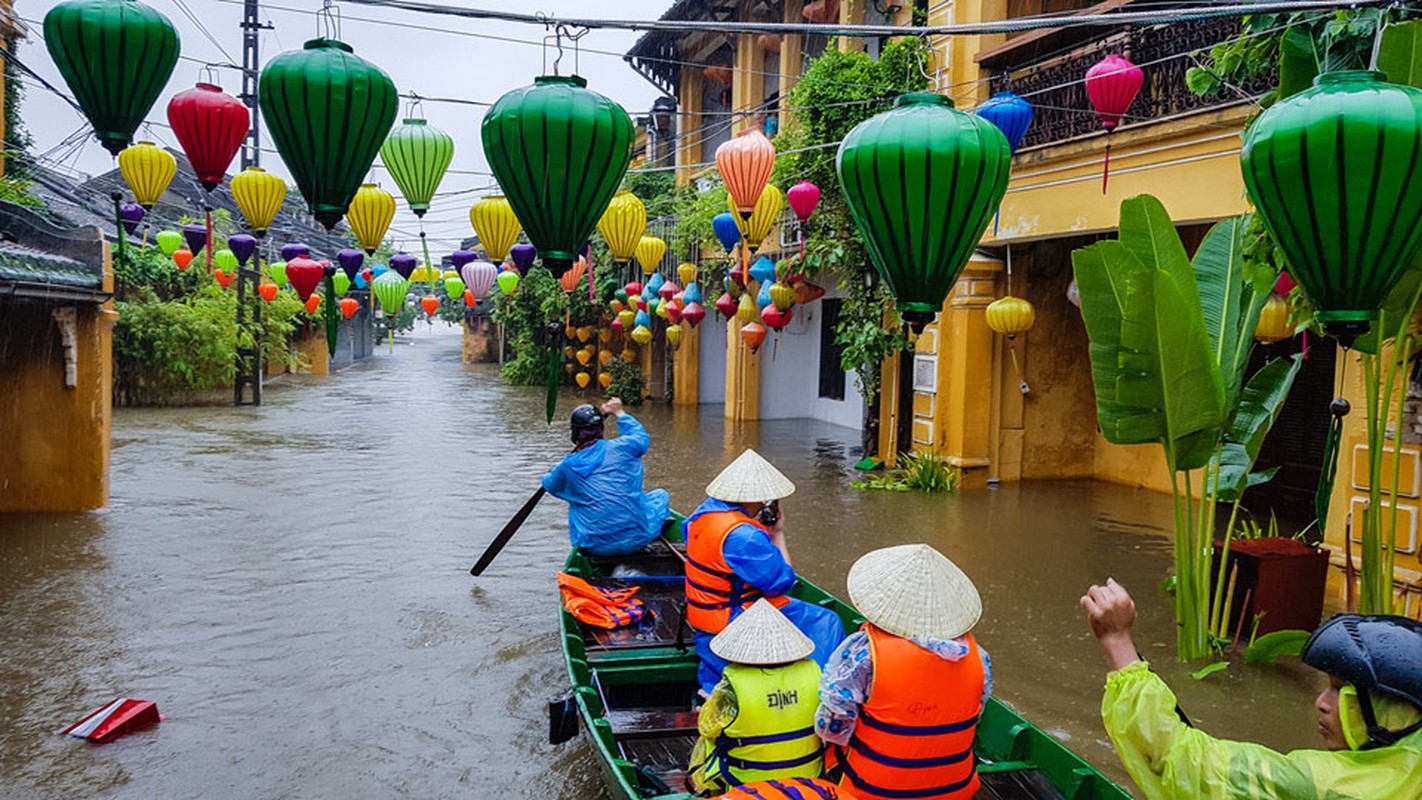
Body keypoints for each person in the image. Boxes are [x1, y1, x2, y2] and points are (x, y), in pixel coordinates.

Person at [1080, 578, 1422, 799]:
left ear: (1394, 712)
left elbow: (1185, 766)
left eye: (1340, 691)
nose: (1320, 703)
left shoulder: (1320, 787)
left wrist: (1118, 641)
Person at [815, 544, 992, 800]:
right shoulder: (978, 657)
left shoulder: (864, 654)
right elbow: (975, 715)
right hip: (954, 790)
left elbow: (832, 726)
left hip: (873, 791)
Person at [684, 448, 846, 696]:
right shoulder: (745, 537)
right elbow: (782, 582)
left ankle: (710, 686)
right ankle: (818, 691)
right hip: (734, 618)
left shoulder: (701, 514)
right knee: (827, 621)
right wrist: (777, 534)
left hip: (704, 618)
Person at [689, 599, 826, 794]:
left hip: (747, 783)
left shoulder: (733, 684)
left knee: (711, 740)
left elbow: (707, 729)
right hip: (809, 777)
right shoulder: (814, 672)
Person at [541, 397, 669, 556]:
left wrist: (553, 471)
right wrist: (618, 412)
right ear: (601, 430)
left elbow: (549, 484)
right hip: (636, 541)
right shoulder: (624, 447)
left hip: (594, 546)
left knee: (575, 501)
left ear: (575, 433)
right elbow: (640, 437)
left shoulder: (567, 467)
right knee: (660, 495)